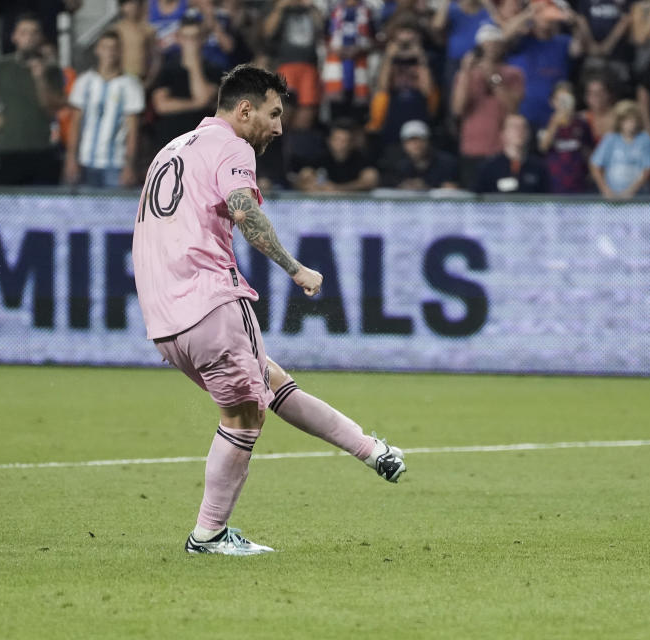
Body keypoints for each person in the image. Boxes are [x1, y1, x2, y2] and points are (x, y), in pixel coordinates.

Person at [132, 64, 406, 556]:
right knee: (244, 417)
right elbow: (244, 208)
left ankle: (371, 450)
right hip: (210, 301)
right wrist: (295, 268)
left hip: (166, 321)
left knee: (269, 383)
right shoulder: (231, 146)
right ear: (244, 109)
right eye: (274, 114)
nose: (279, 128)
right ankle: (209, 535)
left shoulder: (170, 150)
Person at [0, 13, 66, 185]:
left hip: (43, 148)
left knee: (43, 207)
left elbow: (52, 109)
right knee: (9, 205)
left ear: (40, 37)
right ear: (15, 37)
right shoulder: (1, 65)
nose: (29, 37)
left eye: (34, 33)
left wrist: (40, 79)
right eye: (24, 32)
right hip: (10, 147)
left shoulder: (52, 70)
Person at [65, 31, 146, 188]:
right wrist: (71, 158)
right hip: (85, 160)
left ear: (120, 51)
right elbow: (75, 123)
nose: (109, 52)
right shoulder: (84, 82)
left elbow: (133, 130)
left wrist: (129, 165)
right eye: (105, 47)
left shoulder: (130, 85)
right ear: (97, 50)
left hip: (115, 162)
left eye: (114, 48)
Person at [451, 22, 524, 190]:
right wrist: (465, 72)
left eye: (494, 44)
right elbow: (458, 109)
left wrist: (493, 77)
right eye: (486, 44)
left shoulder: (513, 73)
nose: (490, 49)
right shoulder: (466, 75)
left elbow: (513, 107)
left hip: (501, 150)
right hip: (472, 148)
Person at [502, 1, 586, 129]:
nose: (546, 18)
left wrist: (574, 23)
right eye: (543, 14)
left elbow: (579, 48)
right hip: (523, 115)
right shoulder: (522, 41)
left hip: (556, 117)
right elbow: (504, 36)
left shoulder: (563, 42)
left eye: (550, 15)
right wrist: (528, 13)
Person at [151, 15, 223, 149]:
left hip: (202, 144)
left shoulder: (214, 70)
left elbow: (204, 97)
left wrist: (194, 65)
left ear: (203, 39)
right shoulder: (168, 69)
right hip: (171, 142)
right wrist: (195, 104)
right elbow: (161, 105)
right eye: (186, 37)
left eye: (195, 37)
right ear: (179, 39)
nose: (191, 42)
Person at [365, 22, 438, 152]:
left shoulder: (427, 58)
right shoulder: (389, 59)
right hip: (394, 112)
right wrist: (389, 57)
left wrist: (420, 57)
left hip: (417, 109)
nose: (405, 44)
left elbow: (427, 90)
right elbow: (383, 87)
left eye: (410, 37)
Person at [263, 0, 323, 130]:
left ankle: (297, 146)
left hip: (310, 66)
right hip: (287, 65)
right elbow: (267, 32)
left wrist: (311, 6)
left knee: (306, 114)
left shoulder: (312, 9)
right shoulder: (281, 9)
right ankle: (281, 146)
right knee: (283, 111)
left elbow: (323, 28)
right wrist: (280, 8)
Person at [589, 99, 650, 198]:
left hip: (639, 197)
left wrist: (630, 191)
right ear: (620, 121)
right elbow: (595, 165)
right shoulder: (610, 139)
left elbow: (648, 168)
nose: (631, 124)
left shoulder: (645, 139)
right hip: (612, 197)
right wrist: (605, 190)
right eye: (627, 120)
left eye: (634, 119)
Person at [538, 81, 594, 194]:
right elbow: (543, 147)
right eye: (560, 99)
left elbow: (589, 151)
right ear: (552, 102)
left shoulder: (582, 124)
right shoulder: (546, 123)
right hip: (554, 181)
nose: (564, 104)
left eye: (567, 99)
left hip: (578, 180)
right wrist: (554, 124)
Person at [296, 119, 380, 192]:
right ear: (329, 141)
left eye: (345, 140)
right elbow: (304, 176)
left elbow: (370, 180)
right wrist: (317, 186)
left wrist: (337, 189)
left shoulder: (361, 159)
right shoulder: (319, 159)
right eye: (337, 139)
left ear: (352, 143)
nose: (342, 144)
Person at [475, 113, 548, 193]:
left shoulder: (539, 168)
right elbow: (477, 199)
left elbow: (546, 200)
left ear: (529, 134)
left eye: (524, 127)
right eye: (514, 127)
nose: (520, 131)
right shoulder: (489, 168)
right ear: (503, 134)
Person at [382, 120, 460, 189]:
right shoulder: (398, 164)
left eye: (420, 139)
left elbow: (454, 188)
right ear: (404, 144)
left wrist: (427, 187)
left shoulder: (446, 163)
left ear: (428, 141)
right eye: (411, 140)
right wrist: (402, 187)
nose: (416, 144)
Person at [112, 0, 158, 87]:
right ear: (122, 7)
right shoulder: (116, 30)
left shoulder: (149, 30)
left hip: (142, 77)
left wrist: (149, 80)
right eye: (128, 4)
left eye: (135, 4)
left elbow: (156, 58)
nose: (132, 7)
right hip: (120, 77)